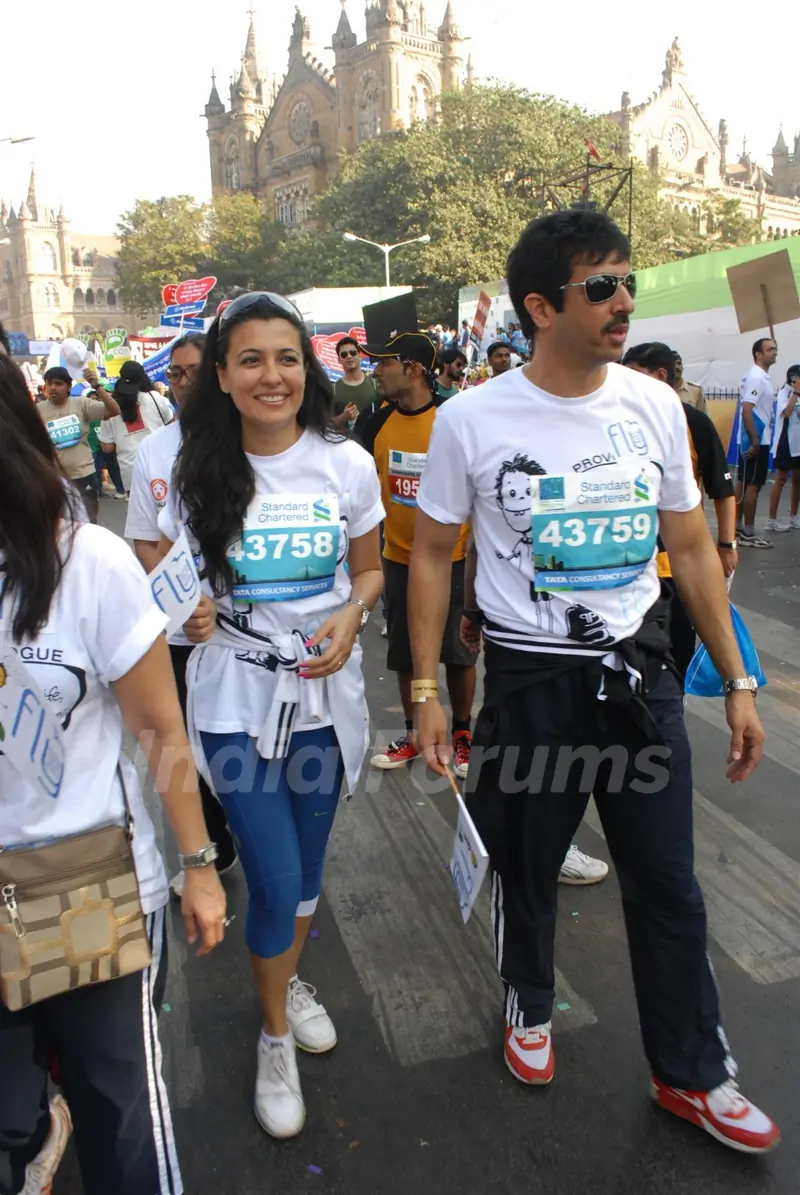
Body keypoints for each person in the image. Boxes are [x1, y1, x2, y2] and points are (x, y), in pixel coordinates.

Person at [408, 209, 778, 1153]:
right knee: (526, 864)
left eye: (627, 282)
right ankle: (529, 1001)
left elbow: (689, 546)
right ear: (539, 306)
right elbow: (434, 557)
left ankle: (691, 1071)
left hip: (639, 678)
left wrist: (735, 677)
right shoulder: (472, 419)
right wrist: (426, 691)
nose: (623, 302)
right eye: (599, 287)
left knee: (668, 884)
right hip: (534, 685)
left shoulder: (652, 407)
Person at [158, 291, 384, 1139]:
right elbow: (176, 591)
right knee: (277, 876)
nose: (271, 375)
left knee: (306, 878)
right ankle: (275, 1034)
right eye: (250, 359)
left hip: (325, 702)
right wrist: (189, 616)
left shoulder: (345, 464)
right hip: (230, 703)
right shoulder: (197, 470)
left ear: (308, 366)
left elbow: (369, 573)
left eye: (286, 357)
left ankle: (283, 974)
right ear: (222, 373)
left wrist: (352, 613)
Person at [0, 352, 226, 1195]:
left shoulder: (85, 558)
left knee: (118, 1107)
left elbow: (161, 725)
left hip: (81, 880)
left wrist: (199, 865)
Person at [125, 332, 238, 889]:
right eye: (174, 373)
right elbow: (145, 540)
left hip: (244, 636)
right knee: (184, 744)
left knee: (237, 747)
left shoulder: (250, 441)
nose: (184, 381)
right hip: (178, 633)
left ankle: (253, 835)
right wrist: (185, 596)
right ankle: (212, 847)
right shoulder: (153, 449)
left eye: (194, 370)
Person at [357, 332, 476, 778]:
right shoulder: (375, 423)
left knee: (460, 654)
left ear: (411, 369)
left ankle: (462, 735)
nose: (375, 371)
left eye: (382, 363)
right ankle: (414, 732)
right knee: (406, 653)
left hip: (456, 558)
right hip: (400, 558)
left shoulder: (452, 419)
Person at [622, 341, 737, 676]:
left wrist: (727, 544)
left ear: (660, 376)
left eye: (633, 377)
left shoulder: (694, 423)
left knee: (677, 650)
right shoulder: (620, 422)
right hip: (630, 563)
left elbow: (722, 488)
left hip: (677, 564)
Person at [35, 365, 120, 523]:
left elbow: (114, 410)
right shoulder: (37, 411)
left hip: (84, 476)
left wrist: (97, 386)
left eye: (58, 383)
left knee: (88, 525)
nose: (53, 387)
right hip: (55, 480)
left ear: (69, 386)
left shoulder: (82, 404)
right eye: (49, 383)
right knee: (60, 528)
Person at [99, 361, 174, 494]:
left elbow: (107, 448)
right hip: (159, 464)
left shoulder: (110, 408)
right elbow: (172, 425)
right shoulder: (156, 398)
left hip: (131, 470)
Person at [736, 337, 778, 547]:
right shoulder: (756, 377)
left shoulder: (760, 376)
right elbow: (746, 409)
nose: (774, 352)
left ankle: (737, 527)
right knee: (753, 485)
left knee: (744, 484)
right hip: (756, 440)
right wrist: (754, 440)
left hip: (755, 438)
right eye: (770, 349)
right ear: (758, 354)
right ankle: (748, 533)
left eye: (775, 349)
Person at [766, 364, 800, 531]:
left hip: (798, 443)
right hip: (784, 443)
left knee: (797, 480)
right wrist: (796, 393)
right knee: (780, 479)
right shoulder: (784, 393)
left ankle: (794, 515)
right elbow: (786, 412)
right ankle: (771, 519)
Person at [332, 336, 377, 426]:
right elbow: (326, 425)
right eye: (344, 354)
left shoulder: (376, 384)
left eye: (353, 353)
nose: (349, 356)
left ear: (359, 356)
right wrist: (343, 417)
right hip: (346, 439)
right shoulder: (334, 390)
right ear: (339, 360)